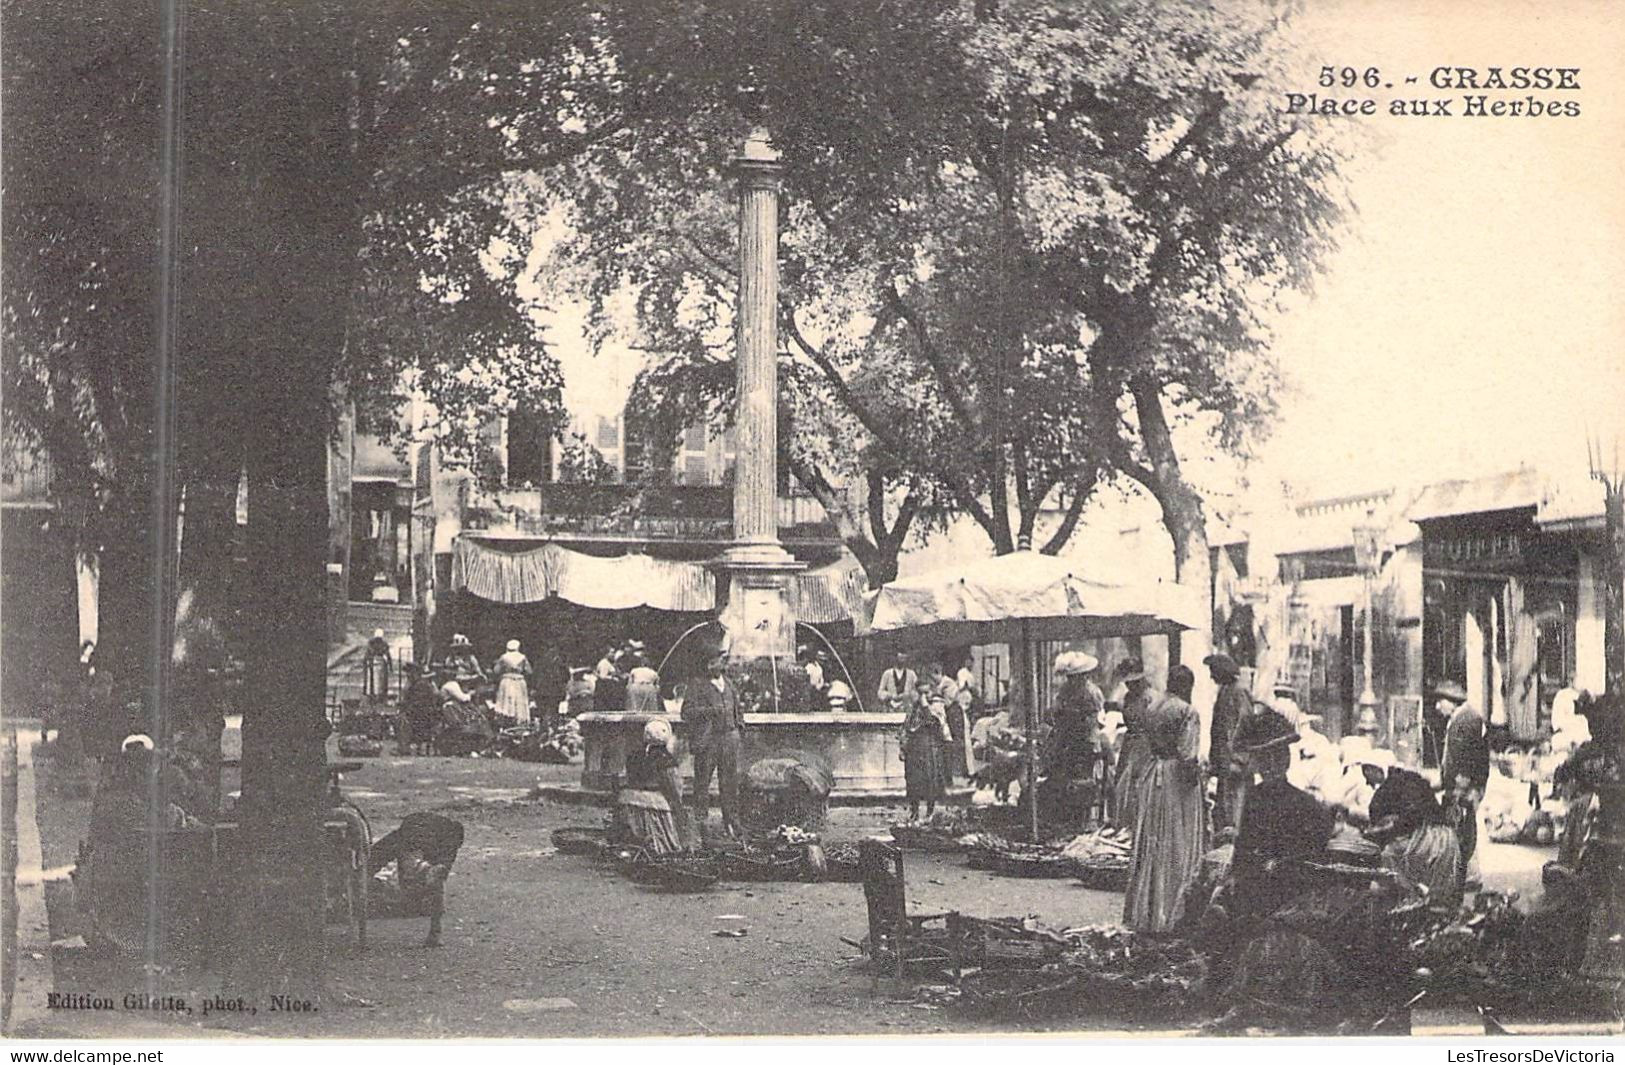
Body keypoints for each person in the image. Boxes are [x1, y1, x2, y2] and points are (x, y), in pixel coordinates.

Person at [1123, 665, 1205, 932]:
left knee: (1152, 843)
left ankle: (1146, 912)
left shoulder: (1153, 705)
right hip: (1176, 781)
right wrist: (1198, 782)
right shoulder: (1187, 712)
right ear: (1187, 686)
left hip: (1153, 774)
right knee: (1176, 842)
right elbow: (1187, 755)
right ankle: (1171, 911)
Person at [1365, 768, 1461, 907]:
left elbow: (1396, 824)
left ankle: (1408, 901)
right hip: (1447, 840)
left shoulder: (1388, 794)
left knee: (1389, 856)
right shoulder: (1412, 785)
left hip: (1427, 840)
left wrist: (1376, 832)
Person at [368, 812, 465, 947]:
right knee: (435, 879)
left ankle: (433, 928)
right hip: (422, 835)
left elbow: (378, 855)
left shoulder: (410, 837)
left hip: (416, 833)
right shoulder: (443, 843)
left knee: (431, 877)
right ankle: (434, 930)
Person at [682, 647, 746, 842]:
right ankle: (701, 822)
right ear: (708, 663)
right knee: (702, 782)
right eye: (718, 660)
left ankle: (731, 821)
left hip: (729, 738)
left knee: (729, 782)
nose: (722, 663)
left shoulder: (728, 683)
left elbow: (738, 706)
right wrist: (709, 711)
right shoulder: (697, 685)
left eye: (721, 660)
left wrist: (739, 726)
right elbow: (686, 712)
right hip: (708, 740)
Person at [1436, 679, 1488, 888]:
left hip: (1463, 787)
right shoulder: (1466, 717)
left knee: (1461, 828)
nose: (1437, 706)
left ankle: (1467, 875)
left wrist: (1460, 787)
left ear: (1451, 701)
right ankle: (1468, 874)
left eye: (1440, 701)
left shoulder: (1464, 721)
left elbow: (1467, 758)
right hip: (1465, 786)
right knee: (1464, 828)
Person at [1043, 651, 1104, 826]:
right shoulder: (1065, 691)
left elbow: (1093, 722)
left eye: (1075, 677)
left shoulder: (1091, 693)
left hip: (1085, 741)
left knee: (1080, 781)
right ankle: (1061, 815)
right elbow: (1057, 713)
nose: (1072, 681)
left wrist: (1075, 719)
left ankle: (1080, 816)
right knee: (1057, 774)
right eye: (1070, 678)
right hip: (1067, 740)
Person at [613, 719, 690, 855]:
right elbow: (674, 789)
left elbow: (622, 778)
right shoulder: (667, 761)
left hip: (629, 802)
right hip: (654, 806)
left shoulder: (634, 756)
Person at [1205, 652, 1252, 833]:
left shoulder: (1239, 691)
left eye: (1213, 671)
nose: (1211, 676)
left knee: (1237, 808)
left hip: (1236, 763)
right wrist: (1215, 761)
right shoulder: (1224, 691)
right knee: (1224, 807)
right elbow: (1217, 729)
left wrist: (1238, 759)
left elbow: (1246, 726)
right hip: (1225, 761)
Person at [1109, 658, 1154, 828]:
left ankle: (1139, 824)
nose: (1130, 687)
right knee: (1122, 782)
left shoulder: (1150, 697)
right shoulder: (1128, 697)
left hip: (1145, 742)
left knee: (1139, 782)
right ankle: (1122, 822)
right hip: (1130, 742)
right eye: (1128, 683)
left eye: (1134, 682)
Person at [900, 694, 951, 820]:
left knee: (930, 782)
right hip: (914, 751)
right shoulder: (912, 711)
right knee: (912, 782)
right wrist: (902, 748)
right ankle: (914, 811)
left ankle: (930, 811)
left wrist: (926, 706)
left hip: (930, 752)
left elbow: (935, 725)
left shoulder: (935, 710)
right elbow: (906, 729)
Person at [492, 639, 533, 725]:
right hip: (519, 681)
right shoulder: (522, 657)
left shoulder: (503, 657)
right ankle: (519, 722)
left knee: (507, 701)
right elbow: (529, 671)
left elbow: (496, 670)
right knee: (519, 701)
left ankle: (506, 722)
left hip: (506, 681)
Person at [363, 628, 392, 705]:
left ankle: (373, 697)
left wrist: (366, 662)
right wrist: (390, 665)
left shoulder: (371, 643)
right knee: (379, 681)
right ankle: (377, 697)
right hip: (379, 663)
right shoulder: (383, 644)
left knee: (374, 681)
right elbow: (388, 654)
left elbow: (367, 654)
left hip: (373, 663)